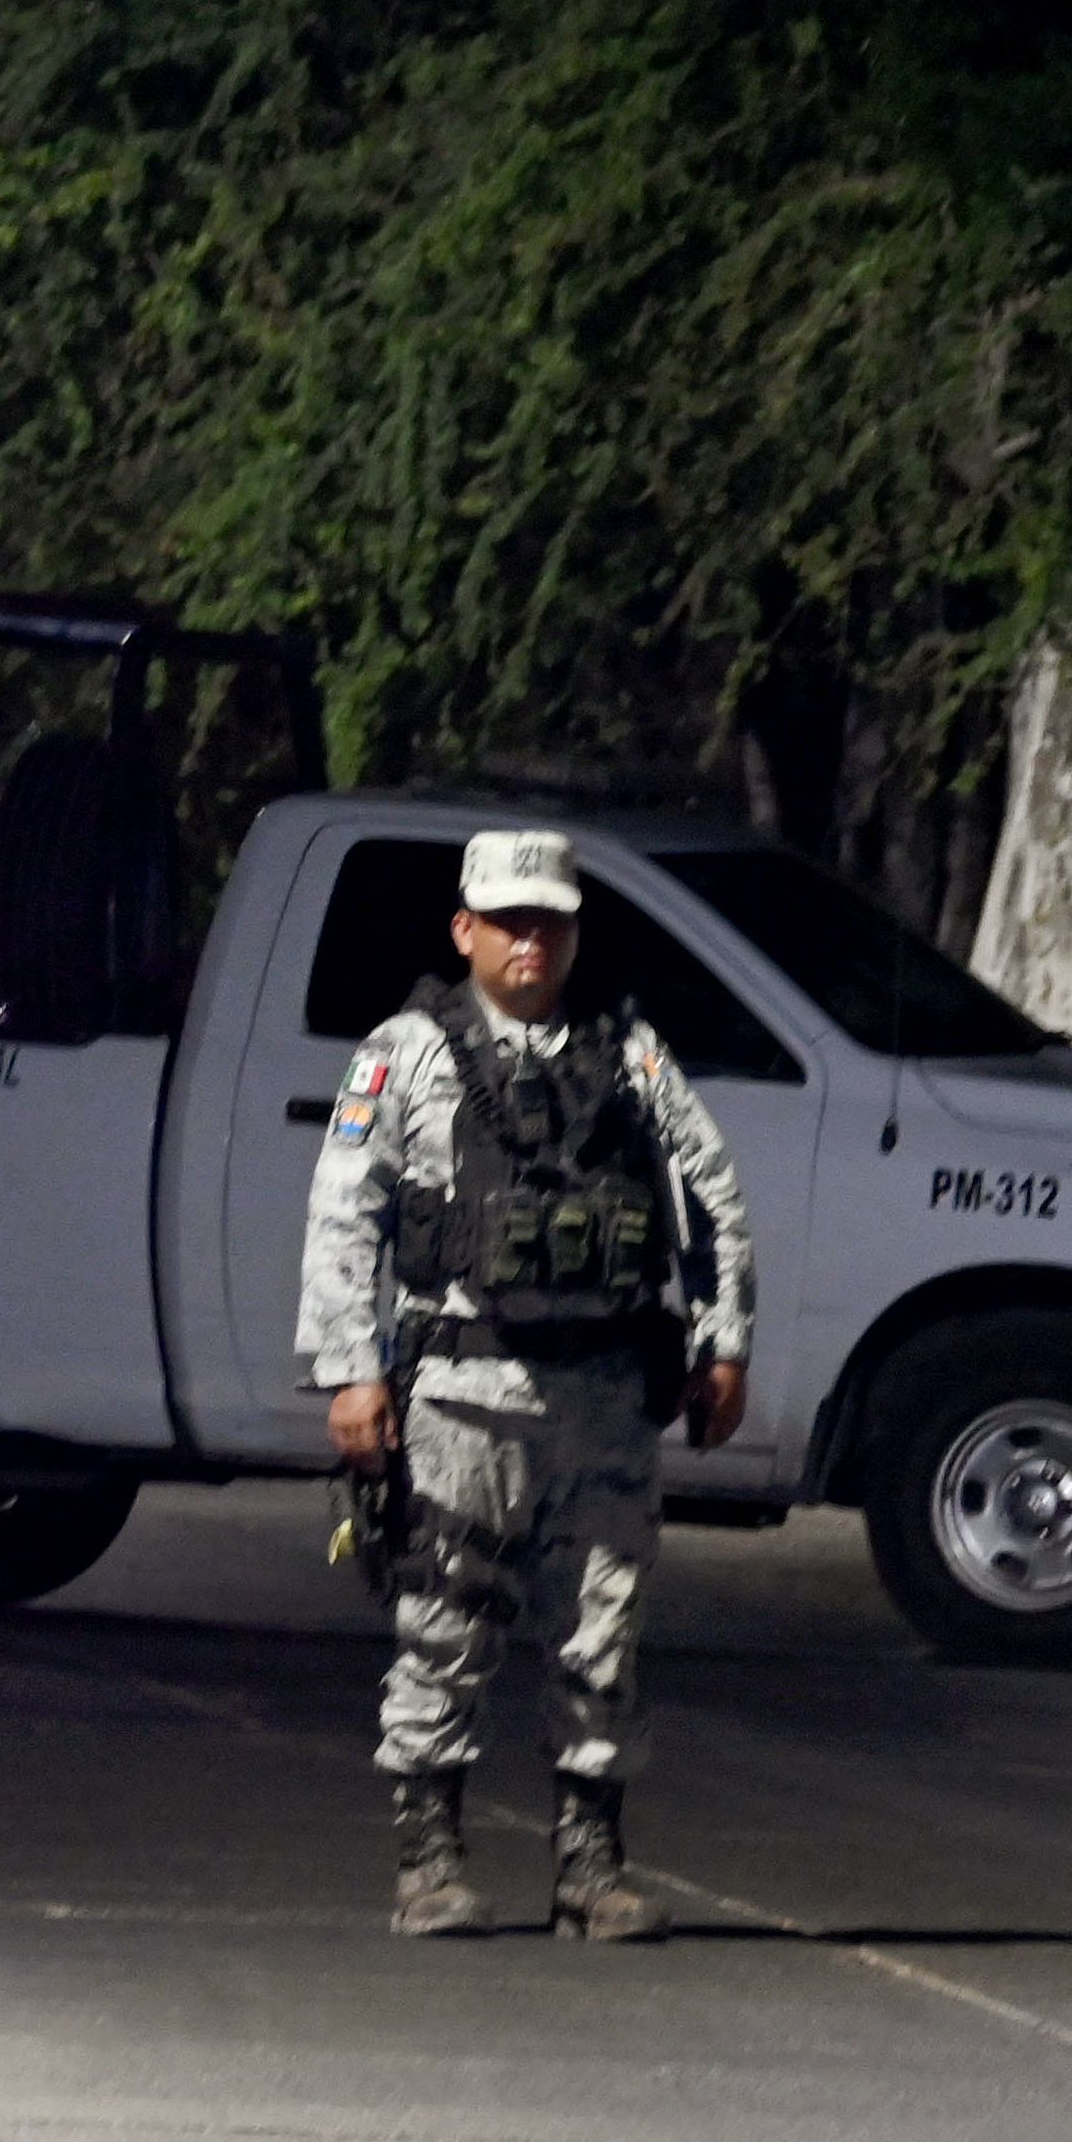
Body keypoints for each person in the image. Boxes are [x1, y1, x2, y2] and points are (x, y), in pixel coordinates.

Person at [299, 829, 752, 1943]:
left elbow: (710, 1188)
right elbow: (344, 1211)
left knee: (603, 1634)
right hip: (462, 1396)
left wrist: (723, 1341)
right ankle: (429, 1860)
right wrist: (351, 1371)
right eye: (508, 921)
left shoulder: (628, 1051)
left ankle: (591, 1867)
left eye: (548, 921)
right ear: (465, 929)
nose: (529, 941)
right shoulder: (403, 1055)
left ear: (574, 933)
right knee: (442, 1631)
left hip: (602, 1399)